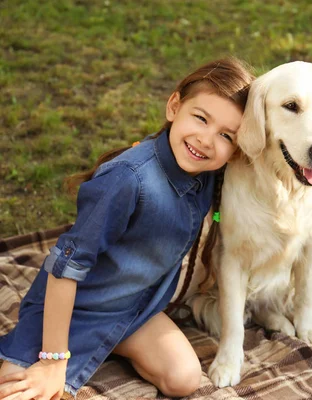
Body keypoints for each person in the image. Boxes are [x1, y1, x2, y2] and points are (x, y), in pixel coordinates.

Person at [0, 57, 254, 399]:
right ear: (174, 106)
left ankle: (113, 344)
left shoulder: (207, 173)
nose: (207, 140)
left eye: (226, 135)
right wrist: (53, 361)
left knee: (184, 380)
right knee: (19, 390)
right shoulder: (128, 180)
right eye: (200, 118)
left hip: (134, 308)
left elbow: (270, 166)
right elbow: (65, 268)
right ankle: (66, 352)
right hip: (71, 307)